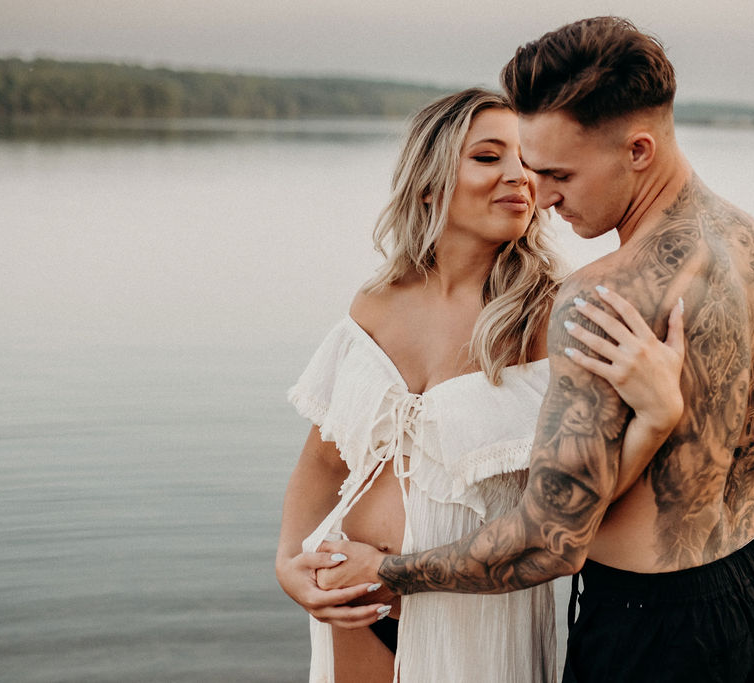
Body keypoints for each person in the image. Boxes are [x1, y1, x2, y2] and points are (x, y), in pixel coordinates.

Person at [319, 16, 754, 682]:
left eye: (559, 174)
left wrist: (388, 570)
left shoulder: (599, 296)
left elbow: (550, 541)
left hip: (653, 625)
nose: (541, 197)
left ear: (638, 150)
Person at [276, 87, 686, 682]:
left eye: (527, 160)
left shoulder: (554, 316)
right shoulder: (378, 303)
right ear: (430, 181)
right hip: (351, 593)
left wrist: (654, 420)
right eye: (489, 157)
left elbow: (581, 504)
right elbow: (324, 461)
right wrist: (289, 563)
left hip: (471, 612)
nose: (519, 176)